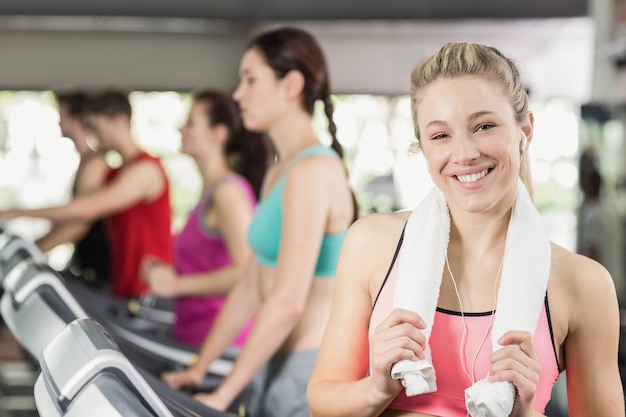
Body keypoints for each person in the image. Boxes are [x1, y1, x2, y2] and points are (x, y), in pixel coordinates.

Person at [307, 42, 624, 416]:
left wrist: (523, 414)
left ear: (525, 130)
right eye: (441, 135)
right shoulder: (372, 243)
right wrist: (376, 390)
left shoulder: (583, 284)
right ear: (423, 145)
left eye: (484, 126)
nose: (464, 153)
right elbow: (322, 402)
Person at [159, 27, 357, 417]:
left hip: (309, 372)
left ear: (291, 85)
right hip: (271, 364)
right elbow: (251, 284)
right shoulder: (279, 171)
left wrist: (222, 396)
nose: (238, 94)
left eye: (250, 80)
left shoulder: (314, 170)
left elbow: (287, 301)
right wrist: (199, 368)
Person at [0, 90, 173, 299]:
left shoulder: (145, 170)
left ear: (119, 121)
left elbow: (85, 210)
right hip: (125, 289)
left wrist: (16, 212)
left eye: (98, 127)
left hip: (148, 291)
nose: (95, 134)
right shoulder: (115, 173)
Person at [140, 89, 274, 348]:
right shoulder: (209, 192)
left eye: (191, 123)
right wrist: (167, 273)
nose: (182, 129)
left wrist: (176, 285)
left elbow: (248, 273)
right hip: (194, 340)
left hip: (222, 347)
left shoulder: (228, 192)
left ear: (217, 134)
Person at [35, 89, 112, 289]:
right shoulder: (86, 160)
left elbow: (80, 222)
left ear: (77, 119)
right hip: (83, 262)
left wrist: (36, 249)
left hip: (98, 272)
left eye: (62, 115)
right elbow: (69, 218)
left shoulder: (95, 162)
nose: (59, 122)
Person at [576, 149, 625, 307]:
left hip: (600, 287)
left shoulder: (592, 215)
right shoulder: (611, 209)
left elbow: (593, 252)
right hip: (616, 280)